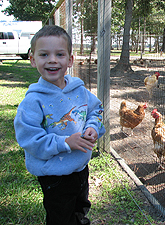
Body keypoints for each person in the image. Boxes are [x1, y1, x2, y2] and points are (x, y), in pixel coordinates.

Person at [14, 25, 106, 225]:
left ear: (70, 60)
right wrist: (65, 142)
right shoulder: (33, 101)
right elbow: (30, 138)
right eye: (44, 54)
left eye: (60, 54)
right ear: (32, 59)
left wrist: (92, 127)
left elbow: (96, 110)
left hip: (80, 168)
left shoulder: (79, 90)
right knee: (60, 217)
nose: (53, 60)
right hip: (54, 175)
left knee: (80, 208)